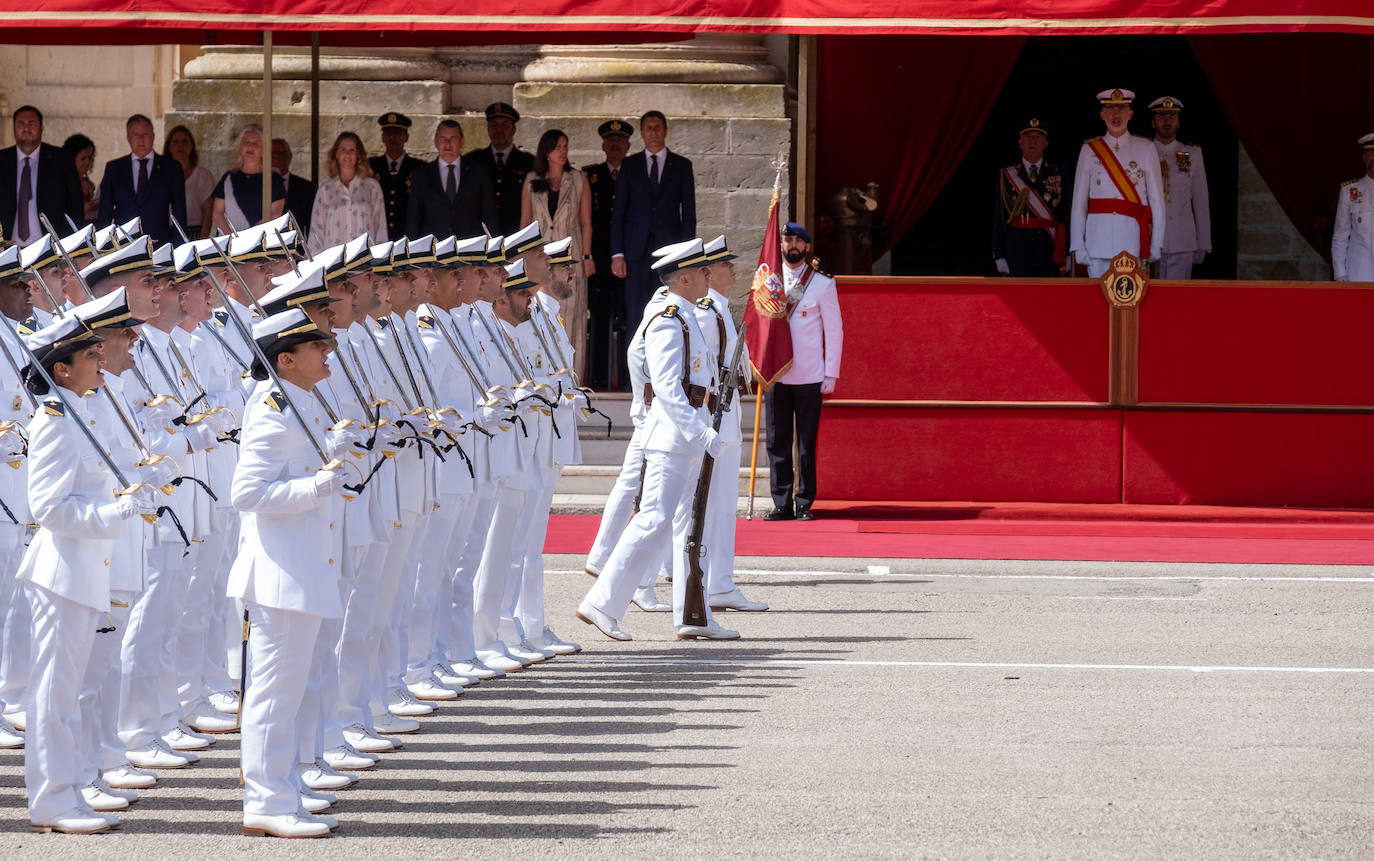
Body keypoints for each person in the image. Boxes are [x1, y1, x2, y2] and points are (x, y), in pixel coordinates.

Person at [18, 313, 158, 834]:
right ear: (63, 368)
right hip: (62, 572)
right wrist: (115, 513)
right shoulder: (55, 419)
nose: (103, 361)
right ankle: (52, 800)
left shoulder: (80, 411)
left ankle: (71, 787)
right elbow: (49, 508)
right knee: (55, 691)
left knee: (71, 686)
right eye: (91, 356)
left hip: (83, 569)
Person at [577, 238, 736, 642]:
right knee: (653, 521)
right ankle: (601, 603)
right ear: (684, 278)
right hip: (671, 438)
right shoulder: (669, 319)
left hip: (687, 437)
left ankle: (692, 615)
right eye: (702, 271)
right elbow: (666, 387)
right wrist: (701, 432)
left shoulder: (688, 316)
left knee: (688, 529)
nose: (708, 276)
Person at [229, 307, 350, 839]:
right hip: (280, 572)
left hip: (301, 565)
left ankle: (284, 785)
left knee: (290, 691)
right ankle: (265, 799)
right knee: (274, 693)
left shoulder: (298, 400)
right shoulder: (273, 409)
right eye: (315, 347)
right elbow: (247, 494)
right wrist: (321, 484)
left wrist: (331, 462)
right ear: (284, 359)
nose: (327, 352)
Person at [763, 222, 843, 523]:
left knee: (806, 443)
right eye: (787, 240)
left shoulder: (822, 284)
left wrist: (831, 374)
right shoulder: (769, 280)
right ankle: (781, 502)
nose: (792, 246)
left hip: (809, 373)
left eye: (798, 241)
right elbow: (759, 329)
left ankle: (803, 502)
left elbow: (835, 331)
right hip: (776, 375)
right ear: (780, 244)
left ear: (807, 246)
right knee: (777, 441)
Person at [611, 110, 696, 345]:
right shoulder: (630, 165)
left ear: (666, 131)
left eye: (658, 127)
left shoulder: (681, 165)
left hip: (669, 251)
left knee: (669, 310)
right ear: (641, 133)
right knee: (636, 312)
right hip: (636, 252)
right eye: (649, 128)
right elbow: (619, 213)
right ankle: (635, 378)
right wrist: (617, 253)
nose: (654, 132)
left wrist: (687, 257)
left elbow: (689, 214)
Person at [520, 129, 593, 381]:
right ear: (546, 151)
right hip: (540, 261)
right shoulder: (532, 179)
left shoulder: (578, 179)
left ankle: (573, 381)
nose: (563, 151)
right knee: (539, 317)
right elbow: (525, 224)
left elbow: (586, 223)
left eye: (565, 146)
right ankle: (541, 379)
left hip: (569, 258)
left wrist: (586, 256)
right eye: (558, 147)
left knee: (572, 320)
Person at [1069, 88, 1166, 277]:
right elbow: (1079, 203)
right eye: (1110, 109)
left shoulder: (1146, 148)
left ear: (1130, 114)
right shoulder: (1089, 150)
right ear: (1102, 115)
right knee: (1096, 303)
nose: (1116, 114)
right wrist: (1078, 245)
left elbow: (1157, 202)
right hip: (1097, 242)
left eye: (1121, 109)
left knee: (1130, 304)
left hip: (1132, 242)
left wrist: (1156, 243)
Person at [586, 119, 632, 388]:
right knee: (600, 320)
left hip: (630, 260)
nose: (615, 146)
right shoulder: (590, 175)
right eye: (610, 141)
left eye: (620, 142)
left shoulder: (635, 173)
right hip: (601, 261)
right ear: (604, 145)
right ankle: (600, 378)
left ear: (627, 146)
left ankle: (627, 379)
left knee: (628, 320)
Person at [992, 118, 1070, 277]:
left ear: (1045, 143)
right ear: (1020, 142)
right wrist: (998, 253)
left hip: (1050, 249)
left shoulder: (1059, 172)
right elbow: (998, 216)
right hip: (1017, 250)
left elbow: (1068, 213)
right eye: (1028, 137)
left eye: (1038, 137)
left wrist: (1069, 252)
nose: (1033, 141)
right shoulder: (1006, 175)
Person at [1146, 97, 1211, 280]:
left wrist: (1203, 242)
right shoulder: (1143, 152)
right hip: (1150, 239)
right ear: (1153, 122)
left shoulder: (1192, 154)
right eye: (1161, 117)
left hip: (1182, 240)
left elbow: (1200, 200)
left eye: (1172, 117)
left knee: (1178, 299)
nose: (1167, 122)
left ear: (1178, 122)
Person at [96, 114, 187, 245]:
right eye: (135, 135)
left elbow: (180, 214)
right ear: (128, 138)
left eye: (145, 134)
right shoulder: (114, 169)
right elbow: (105, 214)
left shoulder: (171, 168)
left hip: (159, 245)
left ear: (153, 136)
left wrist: (178, 248)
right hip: (123, 246)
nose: (141, 139)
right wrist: (103, 248)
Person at [0, 105, 84, 246]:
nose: (26, 128)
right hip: (7, 249)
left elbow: (75, 205)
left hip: (50, 248)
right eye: (21, 123)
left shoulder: (61, 159)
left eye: (31, 123)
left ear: (41, 128)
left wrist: (73, 245)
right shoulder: (2, 160)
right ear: (14, 128)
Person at [405, 119, 497, 239]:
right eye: (443, 138)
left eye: (453, 138)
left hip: (471, 250)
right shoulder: (421, 174)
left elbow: (489, 215)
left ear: (461, 141)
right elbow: (413, 219)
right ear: (436, 141)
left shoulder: (479, 172)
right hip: (434, 251)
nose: (447, 144)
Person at [308, 132, 386, 255]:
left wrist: (381, 260)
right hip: (334, 265)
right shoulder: (325, 190)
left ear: (359, 155)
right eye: (343, 149)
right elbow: (316, 231)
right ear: (336, 154)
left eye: (352, 150)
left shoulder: (372, 187)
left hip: (364, 263)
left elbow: (380, 226)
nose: (348, 154)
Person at [467, 102, 534, 236]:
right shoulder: (473, 161)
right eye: (494, 124)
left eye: (505, 124)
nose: (499, 129)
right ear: (487, 128)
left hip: (515, 234)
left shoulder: (528, 163)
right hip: (480, 235)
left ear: (514, 129)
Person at [211, 123, 286, 234]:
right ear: (240, 146)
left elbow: (275, 213)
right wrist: (232, 238)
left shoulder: (273, 179)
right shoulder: (229, 178)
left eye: (256, 143)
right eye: (246, 142)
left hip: (262, 243)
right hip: (230, 245)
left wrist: (250, 238)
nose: (250, 147)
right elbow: (217, 213)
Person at [369, 112, 422, 241]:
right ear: (382, 137)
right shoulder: (371, 166)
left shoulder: (419, 168)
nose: (392, 137)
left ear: (406, 137)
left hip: (408, 237)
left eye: (398, 133)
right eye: (388, 133)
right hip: (378, 236)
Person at [1332, 133, 1374, 282]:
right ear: (1364, 158)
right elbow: (1340, 235)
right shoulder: (1349, 191)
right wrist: (1340, 273)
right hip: (1358, 272)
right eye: (1371, 153)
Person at [164, 125, 216, 238]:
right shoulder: (160, 176)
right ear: (169, 146)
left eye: (185, 142)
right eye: (175, 142)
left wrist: (202, 242)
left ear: (191, 146)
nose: (180, 146)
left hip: (194, 234)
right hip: (166, 233)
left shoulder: (203, 176)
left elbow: (208, 214)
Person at [271, 137, 317, 237]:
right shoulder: (257, 186)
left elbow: (311, 225)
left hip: (295, 249)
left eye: (281, 154)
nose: (277, 158)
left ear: (289, 157)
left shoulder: (306, 188)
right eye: (273, 154)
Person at [61, 134, 99, 225]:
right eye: (83, 158)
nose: (87, 162)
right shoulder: (62, 182)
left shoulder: (88, 183)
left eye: (90, 158)